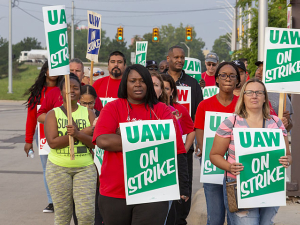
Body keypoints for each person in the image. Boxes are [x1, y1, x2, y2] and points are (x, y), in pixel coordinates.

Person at [93, 64, 189, 225]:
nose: (138, 84)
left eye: (142, 81)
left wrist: (124, 134)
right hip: (115, 191)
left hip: (154, 190)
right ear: (125, 84)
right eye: (133, 80)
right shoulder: (112, 108)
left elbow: (177, 150)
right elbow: (103, 140)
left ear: (148, 85)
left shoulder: (163, 111)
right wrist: (154, 139)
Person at [210, 78, 292, 225]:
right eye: (249, 92)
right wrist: (229, 167)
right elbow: (214, 155)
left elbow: (288, 156)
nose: (254, 96)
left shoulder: (276, 122)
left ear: (265, 98)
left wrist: (286, 160)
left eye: (259, 92)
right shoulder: (231, 122)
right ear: (243, 97)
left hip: (271, 185)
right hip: (240, 185)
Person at [44, 74, 97, 225]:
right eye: (68, 87)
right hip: (58, 169)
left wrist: (78, 133)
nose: (72, 91)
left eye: (75, 88)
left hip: (85, 168)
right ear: (61, 92)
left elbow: (94, 143)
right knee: (62, 216)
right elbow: (53, 143)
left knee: (86, 216)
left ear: (80, 91)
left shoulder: (88, 113)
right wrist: (81, 133)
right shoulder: (53, 114)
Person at [194, 62, 241, 225]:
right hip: (212, 167)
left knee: (236, 216)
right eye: (223, 75)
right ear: (216, 80)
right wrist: (206, 153)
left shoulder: (244, 104)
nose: (228, 79)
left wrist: (285, 120)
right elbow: (200, 134)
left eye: (232, 76)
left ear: (237, 81)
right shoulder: (204, 105)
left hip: (237, 168)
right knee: (215, 217)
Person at [166, 45, 203, 225]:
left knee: (183, 188)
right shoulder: (158, 80)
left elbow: (198, 114)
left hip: (184, 147)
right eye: (176, 57)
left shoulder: (192, 83)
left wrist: (195, 142)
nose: (180, 60)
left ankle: (180, 219)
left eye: (182, 57)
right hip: (163, 148)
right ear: (168, 59)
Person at [23, 61, 60, 213]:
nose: (53, 71)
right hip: (43, 135)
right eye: (50, 68)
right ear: (45, 71)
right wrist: (28, 140)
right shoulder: (38, 92)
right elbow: (31, 117)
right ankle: (51, 201)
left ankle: (64, 199)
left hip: (63, 134)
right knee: (48, 169)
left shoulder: (65, 88)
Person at [37, 58, 103, 123]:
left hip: (85, 133)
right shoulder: (55, 92)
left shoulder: (89, 91)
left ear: (83, 74)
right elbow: (40, 115)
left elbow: (102, 115)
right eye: (71, 70)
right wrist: (60, 119)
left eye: (77, 71)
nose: (74, 73)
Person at [254, 61, 293, 131]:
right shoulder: (248, 90)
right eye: (258, 68)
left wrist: (286, 121)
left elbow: (289, 128)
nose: (259, 72)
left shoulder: (281, 96)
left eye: (264, 70)